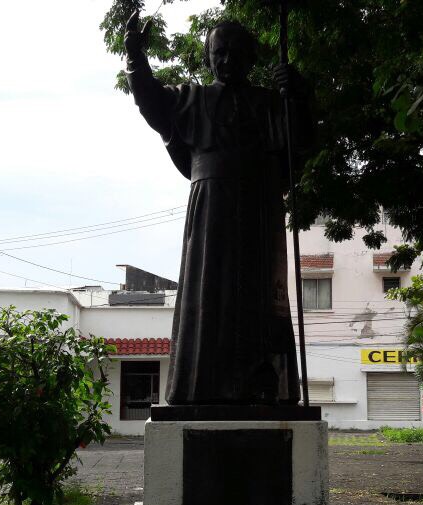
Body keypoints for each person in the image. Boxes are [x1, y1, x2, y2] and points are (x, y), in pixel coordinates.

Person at [123, 12, 313, 406]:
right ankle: (202, 387)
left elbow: (299, 150)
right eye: (220, 52)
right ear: (208, 58)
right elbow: (151, 101)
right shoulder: (192, 99)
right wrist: (136, 59)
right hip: (212, 208)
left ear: (251, 59)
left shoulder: (269, 102)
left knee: (262, 297)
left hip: (260, 207)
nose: (227, 60)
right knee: (208, 292)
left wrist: (298, 94)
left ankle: (263, 387)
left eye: (237, 53)